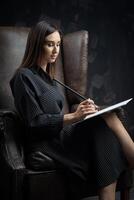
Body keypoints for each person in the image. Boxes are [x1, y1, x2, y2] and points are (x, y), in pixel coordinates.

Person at [9, 20, 132, 200]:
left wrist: (86, 109)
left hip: (62, 135)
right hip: (47, 142)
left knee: (105, 124)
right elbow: (34, 123)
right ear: (36, 45)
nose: (56, 50)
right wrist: (75, 116)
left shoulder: (51, 80)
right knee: (105, 123)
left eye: (58, 44)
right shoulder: (23, 77)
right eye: (50, 44)